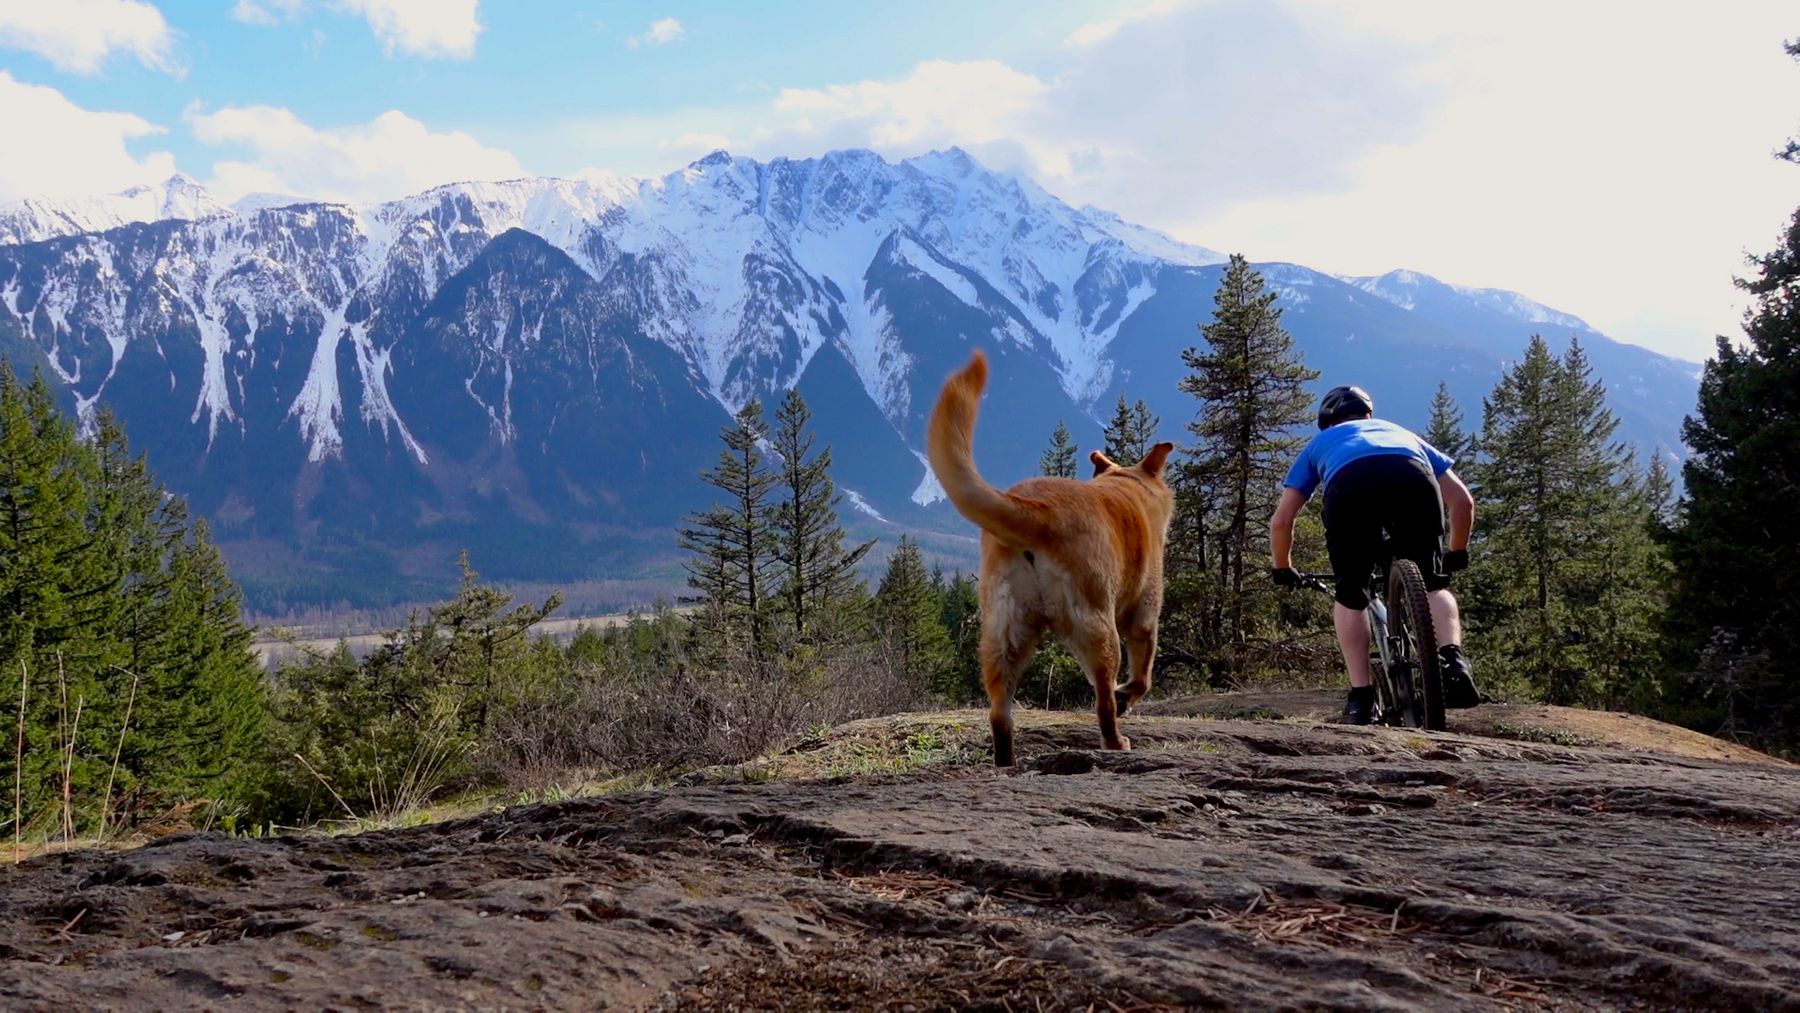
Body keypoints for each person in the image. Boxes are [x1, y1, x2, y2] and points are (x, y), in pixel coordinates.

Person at [1269, 385, 1482, 724]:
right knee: (1433, 585)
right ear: (1368, 414)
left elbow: (1282, 521)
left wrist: (1283, 567)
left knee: (1351, 595)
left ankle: (1361, 697)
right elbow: (1462, 501)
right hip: (1413, 476)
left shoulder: (1322, 443)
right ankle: (1454, 664)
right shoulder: (1400, 433)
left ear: (1327, 421)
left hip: (1351, 487)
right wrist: (1457, 551)